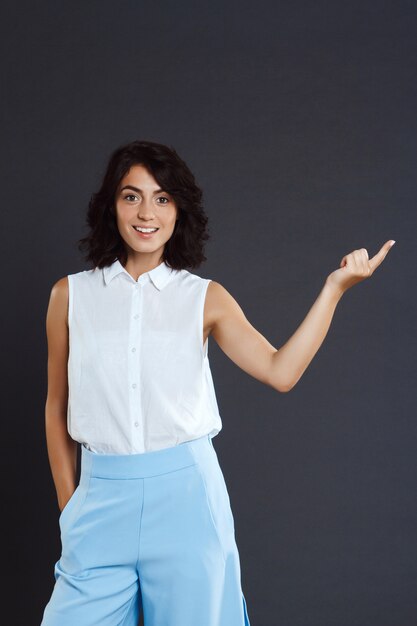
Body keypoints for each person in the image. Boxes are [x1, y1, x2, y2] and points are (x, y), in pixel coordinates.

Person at [40, 139, 395, 626]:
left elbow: (280, 371)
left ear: (179, 210)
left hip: (187, 501)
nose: (147, 212)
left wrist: (334, 291)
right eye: (132, 196)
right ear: (111, 206)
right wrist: (70, 509)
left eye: (162, 198)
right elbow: (56, 406)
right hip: (99, 504)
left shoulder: (204, 298)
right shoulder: (70, 295)